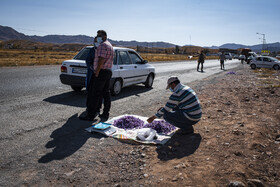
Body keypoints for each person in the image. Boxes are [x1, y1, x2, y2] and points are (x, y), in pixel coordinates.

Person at [80, 30, 114, 121]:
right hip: (108, 71)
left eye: (99, 36)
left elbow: (101, 60)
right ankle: (105, 113)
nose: (98, 37)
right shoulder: (110, 45)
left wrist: (97, 71)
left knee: (95, 94)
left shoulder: (103, 45)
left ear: (104, 36)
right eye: (97, 35)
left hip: (101, 72)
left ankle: (90, 115)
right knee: (106, 93)